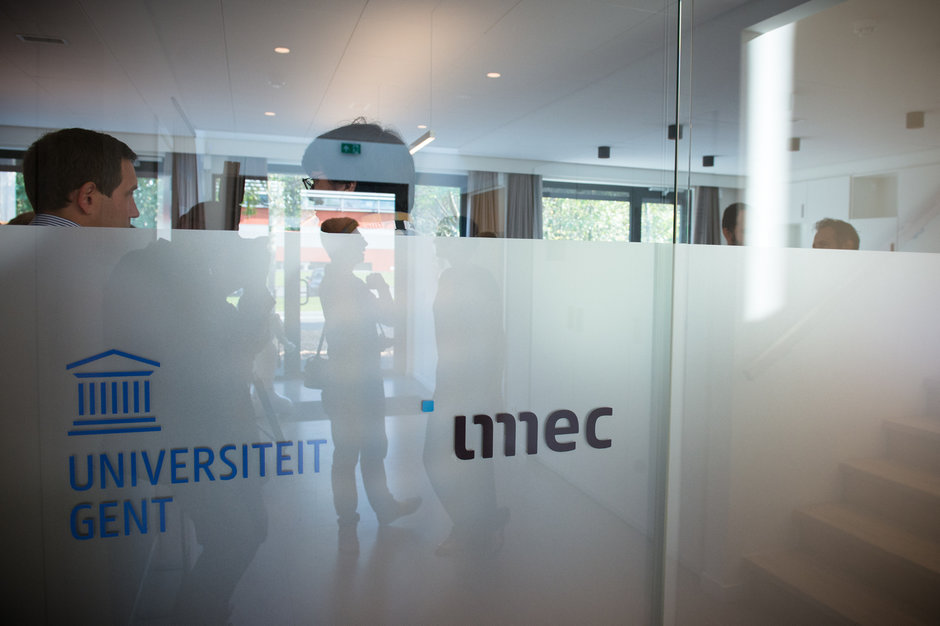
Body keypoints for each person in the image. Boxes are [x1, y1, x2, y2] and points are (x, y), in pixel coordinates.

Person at [318, 217, 420, 555]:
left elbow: (348, 334)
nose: (363, 244)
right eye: (358, 239)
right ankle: (380, 509)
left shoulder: (331, 282)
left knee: (347, 452)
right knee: (371, 449)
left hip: (342, 381)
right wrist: (383, 287)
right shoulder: (353, 286)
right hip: (360, 383)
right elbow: (389, 317)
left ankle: (349, 518)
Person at [23, 127, 139, 227]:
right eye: (129, 194)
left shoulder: (21, 244)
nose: (135, 213)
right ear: (88, 198)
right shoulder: (73, 247)